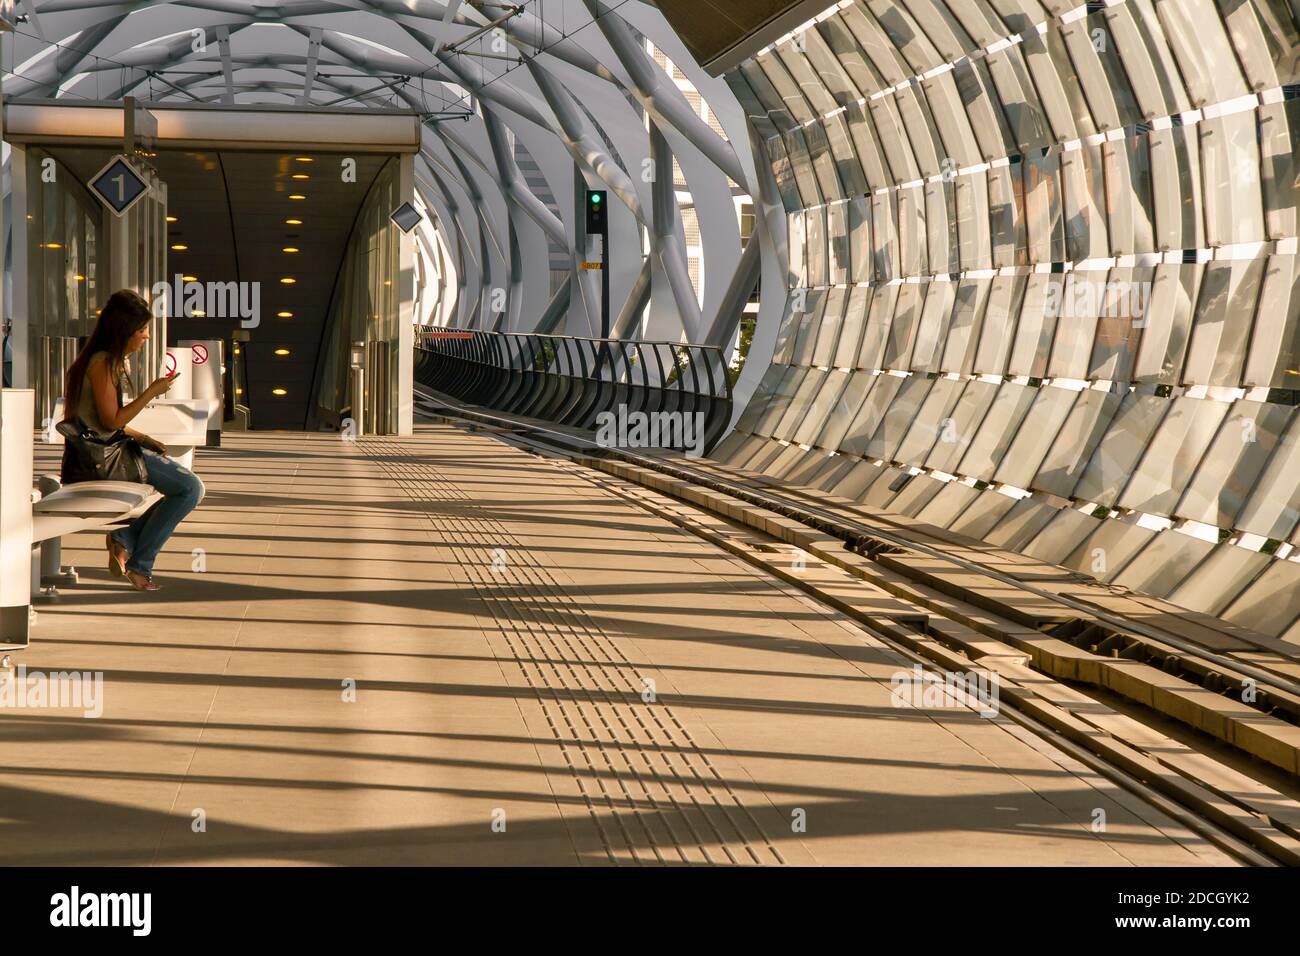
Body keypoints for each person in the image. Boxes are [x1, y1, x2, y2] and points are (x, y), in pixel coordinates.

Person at [63, 289, 205, 592]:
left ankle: (125, 540)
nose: (147, 336)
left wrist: (143, 438)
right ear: (125, 330)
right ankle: (139, 562)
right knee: (190, 489)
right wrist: (152, 392)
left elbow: (102, 421)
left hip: (109, 451)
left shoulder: (105, 360)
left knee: (187, 489)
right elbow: (111, 421)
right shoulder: (102, 363)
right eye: (143, 330)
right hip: (103, 461)